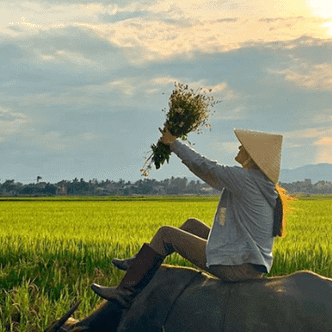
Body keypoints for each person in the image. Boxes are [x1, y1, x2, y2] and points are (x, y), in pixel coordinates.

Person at [91, 127, 291, 307]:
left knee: (165, 234)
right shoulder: (259, 183)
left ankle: (125, 291)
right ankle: (138, 263)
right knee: (192, 225)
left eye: (244, 146)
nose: (239, 146)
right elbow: (206, 173)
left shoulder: (246, 179)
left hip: (238, 266)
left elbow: (205, 166)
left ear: (251, 156)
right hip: (247, 261)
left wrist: (174, 143)